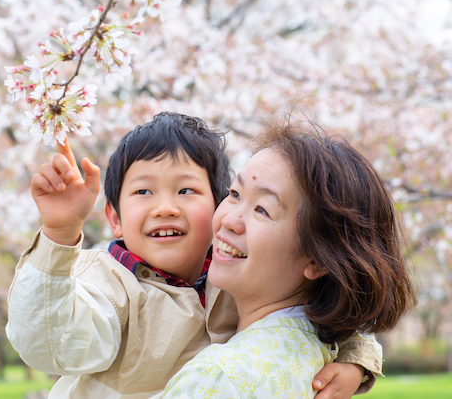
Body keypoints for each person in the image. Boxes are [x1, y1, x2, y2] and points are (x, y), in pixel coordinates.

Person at [6, 112, 384, 398]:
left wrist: (356, 360)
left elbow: (322, 311)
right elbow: (50, 341)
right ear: (115, 220)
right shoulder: (108, 285)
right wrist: (58, 235)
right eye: (143, 192)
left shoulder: (234, 282)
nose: (165, 208)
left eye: (186, 191)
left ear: (217, 206)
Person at [162, 116, 417, 398]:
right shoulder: (321, 348)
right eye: (234, 193)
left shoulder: (218, 379)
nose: (229, 220)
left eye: (262, 209)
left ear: (319, 261)